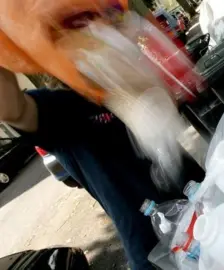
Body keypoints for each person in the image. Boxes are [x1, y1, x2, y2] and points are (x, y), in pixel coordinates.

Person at [0, 67, 204, 270]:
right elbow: (13, 108)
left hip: (204, 202)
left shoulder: (117, 74)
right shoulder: (60, 109)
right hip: (160, 247)